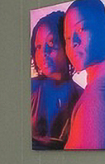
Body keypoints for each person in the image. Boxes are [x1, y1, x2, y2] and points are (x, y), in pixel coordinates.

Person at [62, 0, 105, 150]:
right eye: (67, 37)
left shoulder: (97, 97)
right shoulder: (103, 85)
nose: (73, 42)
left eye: (81, 28)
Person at [30, 9, 79, 149]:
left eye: (51, 43)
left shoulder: (82, 97)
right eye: (38, 47)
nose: (44, 52)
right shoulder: (30, 89)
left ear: (67, 44)